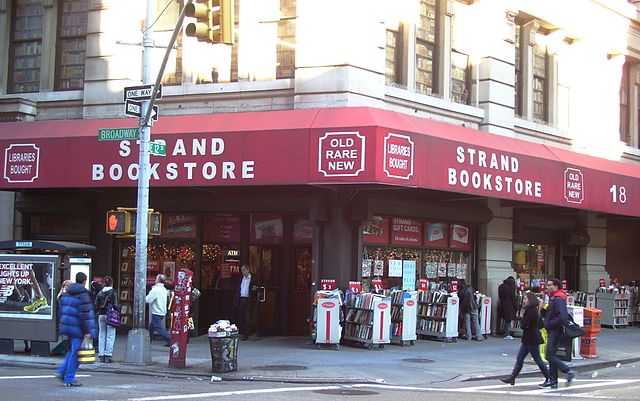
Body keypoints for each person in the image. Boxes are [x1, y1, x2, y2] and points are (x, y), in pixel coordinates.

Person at [57, 272, 96, 387]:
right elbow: (85, 314)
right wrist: (88, 331)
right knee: (76, 353)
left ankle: (62, 372)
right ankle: (69, 378)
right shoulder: (83, 294)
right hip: (78, 328)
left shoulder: (68, 293)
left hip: (68, 326)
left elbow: (62, 310)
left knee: (71, 351)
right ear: (84, 281)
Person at [500, 292, 549, 385]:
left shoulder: (531, 311)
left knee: (537, 359)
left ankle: (548, 377)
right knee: (520, 358)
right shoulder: (534, 310)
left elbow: (524, 325)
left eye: (526, 299)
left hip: (531, 338)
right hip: (529, 338)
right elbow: (539, 324)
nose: (524, 301)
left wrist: (522, 316)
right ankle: (512, 377)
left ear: (530, 300)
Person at [542, 278, 575, 389]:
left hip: (555, 330)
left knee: (549, 355)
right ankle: (553, 380)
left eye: (550, 285)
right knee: (551, 355)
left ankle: (567, 370)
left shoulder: (558, 298)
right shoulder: (554, 298)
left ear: (556, 286)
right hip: (554, 330)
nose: (547, 287)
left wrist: (550, 324)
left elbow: (563, 316)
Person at [95, 276, 117, 363]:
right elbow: (115, 305)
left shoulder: (100, 293)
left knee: (101, 334)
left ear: (104, 283)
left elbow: (96, 304)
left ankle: (101, 355)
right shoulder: (113, 292)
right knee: (110, 335)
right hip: (110, 314)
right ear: (112, 283)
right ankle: (108, 355)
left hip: (101, 314)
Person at [146, 274, 170, 346]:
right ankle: (148, 341)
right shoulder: (164, 289)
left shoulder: (155, 290)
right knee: (151, 327)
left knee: (159, 328)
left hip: (156, 312)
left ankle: (171, 339)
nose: (155, 279)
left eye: (156, 278)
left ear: (158, 280)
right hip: (162, 311)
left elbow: (148, 300)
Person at [236, 265, 252, 340]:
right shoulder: (240, 278)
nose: (243, 272)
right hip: (241, 298)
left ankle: (246, 334)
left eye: (244, 270)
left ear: (248, 270)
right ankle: (242, 332)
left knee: (247, 316)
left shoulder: (252, 278)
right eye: (242, 270)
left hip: (249, 299)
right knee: (241, 316)